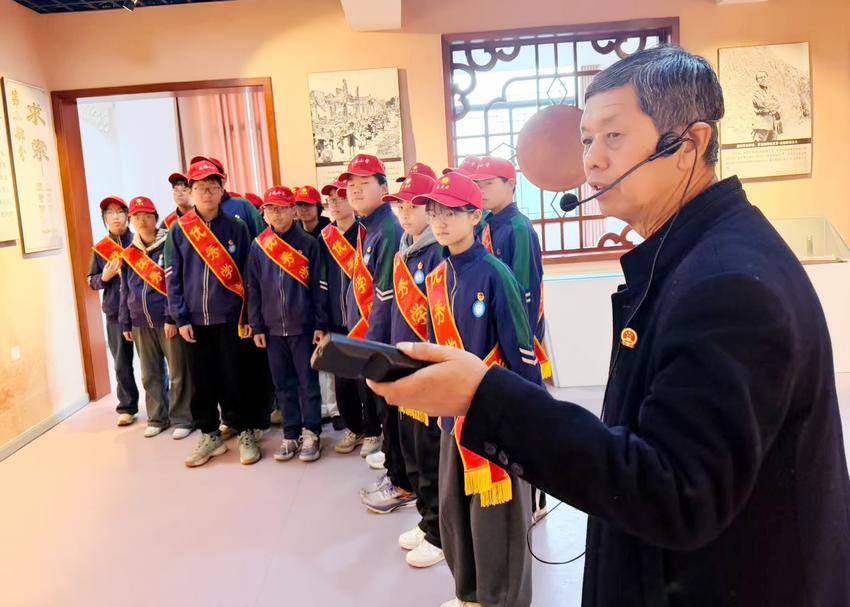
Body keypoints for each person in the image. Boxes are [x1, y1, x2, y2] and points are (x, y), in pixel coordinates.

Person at [369, 46, 850, 607]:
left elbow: (676, 491)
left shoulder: (728, 284)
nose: (592, 161)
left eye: (613, 137)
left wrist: (485, 398)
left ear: (688, 145)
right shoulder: (690, 252)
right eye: (586, 140)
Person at [410, 171, 540, 607]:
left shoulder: (495, 274)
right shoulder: (436, 278)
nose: (441, 221)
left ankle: (501, 601)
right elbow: (433, 350)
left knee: (495, 521)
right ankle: (470, 595)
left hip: (493, 418)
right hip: (454, 418)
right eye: (434, 212)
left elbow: (522, 353)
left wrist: (526, 422)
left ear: (475, 215)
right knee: (455, 513)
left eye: (452, 212)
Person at [165, 158, 267, 467]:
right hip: (195, 321)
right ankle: (209, 434)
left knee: (237, 376)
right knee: (202, 381)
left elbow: (249, 275)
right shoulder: (180, 230)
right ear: (191, 192)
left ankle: (245, 430)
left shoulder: (236, 227)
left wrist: (249, 316)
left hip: (232, 318)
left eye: (212, 187)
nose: (207, 193)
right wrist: (180, 317)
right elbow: (173, 277)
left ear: (222, 190)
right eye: (200, 188)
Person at [375, 170, 446, 567]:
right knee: (413, 453)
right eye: (399, 206)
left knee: (431, 454)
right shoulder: (405, 249)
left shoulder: (437, 253)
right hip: (404, 368)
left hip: (428, 372)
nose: (404, 213)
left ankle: (440, 533)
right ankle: (426, 519)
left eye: (413, 206)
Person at [246, 186, 328, 463]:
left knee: (308, 383)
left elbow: (319, 287)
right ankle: (290, 434)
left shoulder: (309, 244)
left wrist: (320, 323)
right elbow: (253, 288)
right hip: (272, 329)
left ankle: (312, 432)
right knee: (283, 385)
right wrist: (257, 326)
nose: (276, 214)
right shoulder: (259, 245)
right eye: (271, 209)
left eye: (281, 208)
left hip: (303, 328)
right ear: (264, 213)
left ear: (293, 210)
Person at [340, 154, 403, 460]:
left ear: (384, 188)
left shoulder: (387, 230)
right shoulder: (368, 227)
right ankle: (393, 463)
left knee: (389, 407)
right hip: (368, 334)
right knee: (381, 406)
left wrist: (370, 345)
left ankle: (396, 471)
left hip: (380, 339)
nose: (355, 190)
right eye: (351, 184)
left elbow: (385, 295)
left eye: (364, 183)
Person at [119, 196, 193, 440]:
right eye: (136, 217)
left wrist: (173, 317)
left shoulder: (170, 242)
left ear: (155, 218)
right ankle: (157, 417)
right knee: (150, 374)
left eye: (147, 216)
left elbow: (177, 283)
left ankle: (183, 418)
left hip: (167, 321)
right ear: (131, 220)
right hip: (140, 322)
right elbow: (124, 290)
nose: (142, 221)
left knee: (178, 372)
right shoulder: (129, 253)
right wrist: (126, 322)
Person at [319, 180, 366, 449]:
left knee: (365, 379)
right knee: (343, 382)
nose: (335, 204)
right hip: (336, 320)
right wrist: (322, 321)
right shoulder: (325, 237)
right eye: (331, 200)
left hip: (363, 318)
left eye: (340, 198)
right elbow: (321, 283)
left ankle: (373, 430)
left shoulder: (365, 233)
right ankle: (354, 428)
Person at [88, 196, 139, 426]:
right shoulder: (100, 249)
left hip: (140, 312)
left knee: (153, 364)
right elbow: (91, 280)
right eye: (110, 213)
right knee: (121, 363)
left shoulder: (138, 241)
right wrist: (105, 277)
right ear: (104, 218)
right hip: (115, 313)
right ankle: (127, 407)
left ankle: (160, 407)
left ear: (128, 215)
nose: (115, 216)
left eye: (119, 211)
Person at [752, 70, 781, 143]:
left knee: (773, 146)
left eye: (764, 77)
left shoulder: (771, 91)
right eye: (760, 77)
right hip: (761, 125)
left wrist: (772, 105)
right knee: (760, 147)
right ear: (757, 80)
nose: (763, 79)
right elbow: (764, 104)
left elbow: (778, 102)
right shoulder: (755, 92)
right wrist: (773, 105)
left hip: (773, 125)